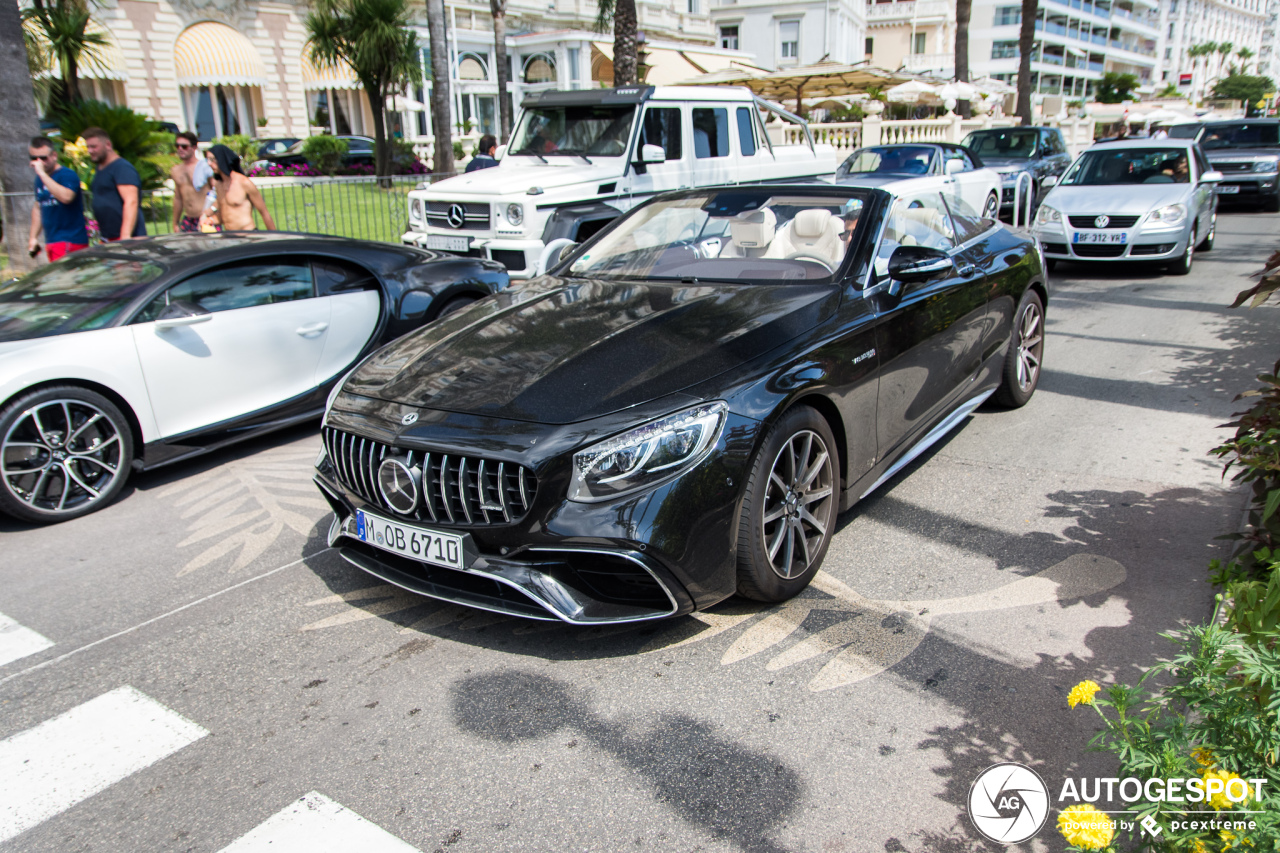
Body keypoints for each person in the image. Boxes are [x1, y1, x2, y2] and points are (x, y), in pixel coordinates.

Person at [27, 136, 89, 262]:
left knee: (64, 281)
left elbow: (66, 197)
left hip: (70, 240)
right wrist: (33, 238)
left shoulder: (66, 175)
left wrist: (42, 174)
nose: (39, 162)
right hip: (52, 240)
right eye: (34, 158)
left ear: (54, 155)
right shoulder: (39, 179)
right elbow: (39, 207)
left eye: (44, 158)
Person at [83, 126, 147, 241]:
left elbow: (131, 201)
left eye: (93, 146)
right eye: (88, 147)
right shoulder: (100, 168)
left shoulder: (121, 167)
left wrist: (125, 236)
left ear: (108, 145)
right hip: (108, 237)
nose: (90, 151)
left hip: (127, 238)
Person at [206, 144, 276, 231]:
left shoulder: (244, 183)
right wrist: (211, 220)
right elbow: (225, 215)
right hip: (230, 236)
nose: (209, 163)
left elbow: (264, 213)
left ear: (221, 159)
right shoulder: (218, 185)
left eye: (212, 159)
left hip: (248, 235)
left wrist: (275, 239)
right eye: (207, 159)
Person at [170, 131, 211, 233]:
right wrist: (175, 223)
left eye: (184, 146)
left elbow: (216, 191)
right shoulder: (175, 170)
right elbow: (178, 198)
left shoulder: (205, 167)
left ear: (194, 148)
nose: (180, 149)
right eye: (177, 146)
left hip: (205, 217)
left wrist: (210, 213)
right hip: (188, 218)